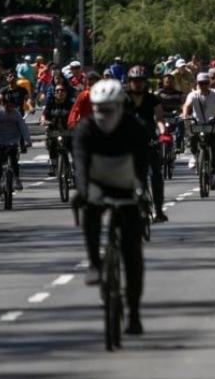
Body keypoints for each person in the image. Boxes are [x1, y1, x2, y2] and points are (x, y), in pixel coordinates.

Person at [70, 79, 152, 334]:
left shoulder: (133, 128)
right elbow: (81, 165)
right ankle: (95, 263)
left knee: (132, 253)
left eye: (109, 109)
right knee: (90, 211)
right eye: (98, 109)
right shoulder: (85, 130)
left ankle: (134, 313)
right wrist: (83, 193)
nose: (103, 115)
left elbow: (142, 163)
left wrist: (141, 192)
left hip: (126, 184)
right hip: (96, 183)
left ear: (120, 107)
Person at [124, 65, 167, 223]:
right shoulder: (123, 98)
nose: (138, 84)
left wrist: (162, 134)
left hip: (149, 141)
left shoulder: (152, 99)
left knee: (156, 174)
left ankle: (159, 210)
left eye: (140, 81)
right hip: (128, 142)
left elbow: (160, 119)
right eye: (135, 81)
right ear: (130, 82)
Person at [181, 72, 215, 189]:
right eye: (201, 83)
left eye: (205, 83)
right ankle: (195, 156)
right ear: (197, 83)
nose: (203, 85)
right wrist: (185, 115)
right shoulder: (193, 95)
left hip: (212, 124)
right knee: (192, 138)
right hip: (198, 124)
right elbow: (187, 106)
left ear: (209, 83)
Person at [0, 89, 30, 193]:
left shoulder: (16, 114)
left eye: (11, 104)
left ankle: (17, 179)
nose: (8, 107)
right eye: (6, 104)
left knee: (14, 160)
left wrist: (27, 141)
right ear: (3, 104)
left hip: (12, 140)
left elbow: (23, 127)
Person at [41, 79, 74, 176]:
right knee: (51, 144)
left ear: (66, 92)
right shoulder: (50, 104)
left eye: (62, 90)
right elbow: (44, 115)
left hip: (68, 131)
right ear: (54, 93)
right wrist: (43, 121)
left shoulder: (71, 104)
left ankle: (76, 170)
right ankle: (54, 165)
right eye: (57, 91)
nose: (60, 92)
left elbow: (76, 114)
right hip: (54, 130)